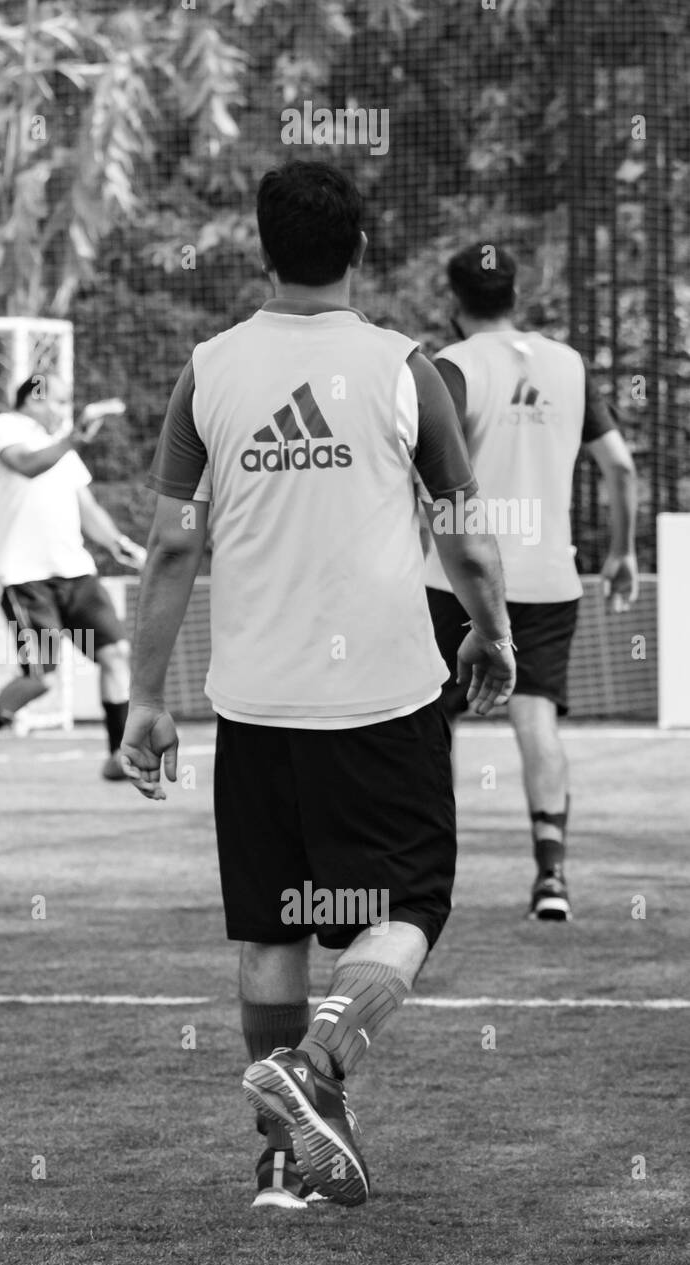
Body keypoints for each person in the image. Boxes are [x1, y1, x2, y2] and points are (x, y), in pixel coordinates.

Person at [121, 161, 516, 1208]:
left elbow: (169, 548)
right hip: (382, 703)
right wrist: (491, 633)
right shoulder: (403, 367)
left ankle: (279, 1165)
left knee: (270, 928)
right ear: (361, 246)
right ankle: (317, 1065)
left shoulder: (207, 371)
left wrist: (145, 698)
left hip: (253, 707)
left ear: (262, 248)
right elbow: (465, 540)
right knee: (409, 903)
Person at [423, 243, 639, 921]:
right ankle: (551, 876)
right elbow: (622, 469)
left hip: (455, 578)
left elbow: (421, 471)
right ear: (519, 294)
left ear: (453, 303)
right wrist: (622, 552)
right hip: (548, 576)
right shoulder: (569, 365)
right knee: (537, 716)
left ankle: (431, 875)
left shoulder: (450, 366)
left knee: (433, 721)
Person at [0, 378, 146, 778]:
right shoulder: (5, 427)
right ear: (34, 397)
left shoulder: (62, 446)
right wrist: (75, 436)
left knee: (115, 654)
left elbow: (87, 508)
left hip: (77, 574)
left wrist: (124, 545)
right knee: (40, 679)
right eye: (60, 400)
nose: (65, 409)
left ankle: (118, 757)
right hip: (27, 580)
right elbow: (28, 466)